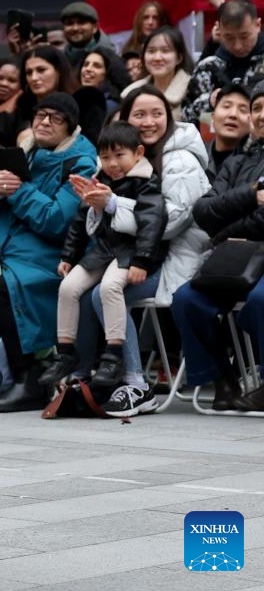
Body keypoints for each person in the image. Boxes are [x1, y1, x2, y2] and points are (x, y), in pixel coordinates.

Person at [0, 93, 97, 412]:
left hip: (52, 262)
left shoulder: (81, 162)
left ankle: (27, 378)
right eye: (40, 115)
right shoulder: (23, 155)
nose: (45, 122)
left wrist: (18, 189)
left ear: (71, 127)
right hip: (12, 259)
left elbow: (57, 220)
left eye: (56, 118)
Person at [72, 85, 211, 417]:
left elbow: (174, 221)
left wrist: (114, 204)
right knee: (82, 289)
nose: (149, 122)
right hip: (136, 257)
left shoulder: (180, 159)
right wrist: (95, 206)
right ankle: (88, 374)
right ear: (125, 118)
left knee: (104, 294)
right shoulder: (122, 158)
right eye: (139, 114)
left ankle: (136, 382)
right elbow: (100, 224)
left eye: (157, 113)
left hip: (178, 257)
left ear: (169, 116)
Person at [40, 122, 166, 390]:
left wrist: (142, 260)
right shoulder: (101, 180)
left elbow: (152, 222)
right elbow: (79, 221)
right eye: (106, 157)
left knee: (109, 288)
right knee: (68, 287)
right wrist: (68, 256)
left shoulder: (147, 182)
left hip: (130, 254)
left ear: (138, 152)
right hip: (105, 251)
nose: (112, 163)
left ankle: (113, 354)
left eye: (119, 155)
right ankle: (65, 353)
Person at [172, 82, 264, 413]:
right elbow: (203, 210)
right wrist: (250, 196)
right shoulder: (239, 160)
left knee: (260, 301)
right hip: (233, 258)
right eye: (257, 108)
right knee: (186, 300)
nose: (262, 115)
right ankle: (223, 382)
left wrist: (225, 229)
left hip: (255, 257)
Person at [183, 0, 264, 124]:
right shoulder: (208, 67)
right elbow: (184, 114)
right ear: (219, 30)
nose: (238, 45)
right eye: (229, 37)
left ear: (258, 25)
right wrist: (209, 101)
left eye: (244, 36)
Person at [121, 26, 193, 121]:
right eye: (151, 51)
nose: (157, 58)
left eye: (165, 51)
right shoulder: (130, 94)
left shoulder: (192, 90)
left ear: (179, 58)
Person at [206, 83, 252, 176]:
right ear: (213, 116)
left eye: (243, 110)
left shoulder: (256, 165)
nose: (233, 114)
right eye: (226, 106)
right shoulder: (197, 154)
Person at [60, 1, 116, 68]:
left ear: (95, 28)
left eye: (81, 22)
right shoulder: (60, 59)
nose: (75, 28)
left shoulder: (110, 60)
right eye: (69, 23)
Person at [78, 46, 131, 114]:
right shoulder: (78, 99)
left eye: (97, 66)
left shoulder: (110, 105)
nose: (88, 69)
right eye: (85, 64)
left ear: (109, 73)